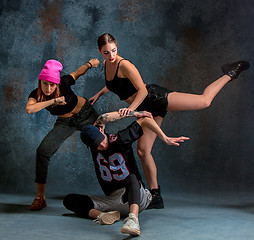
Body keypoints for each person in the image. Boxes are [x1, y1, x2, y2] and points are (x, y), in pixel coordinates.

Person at [89, 33, 250, 209]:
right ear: (100, 51)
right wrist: (99, 94)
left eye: (114, 50)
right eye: (106, 53)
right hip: (145, 108)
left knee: (204, 101)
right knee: (143, 151)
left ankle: (231, 72)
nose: (111, 56)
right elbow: (113, 84)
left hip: (155, 98)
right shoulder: (106, 64)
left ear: (116, 46)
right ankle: (155, 196)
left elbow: (142, 90)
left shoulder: (124, 64)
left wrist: (132, 110)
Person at [63, 110, 189, 236]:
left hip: (136, 196)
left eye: (101, 141)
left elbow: (145, 120)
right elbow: (101, 120)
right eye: (97, 146)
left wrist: (164, 137)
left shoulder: (121, 139)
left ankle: (133, 220)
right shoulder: (94, 145)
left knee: (131, 178)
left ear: (101, 130)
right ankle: (102, 215)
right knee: (69, 200)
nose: (102, 145)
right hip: (113, 201)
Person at [26, 59, 100, 210]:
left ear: (57, 83)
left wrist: (90, 64)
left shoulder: (63, 83)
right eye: (45, 83)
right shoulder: (36, 95)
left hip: (87, 115)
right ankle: (40, 197)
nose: (48, 88)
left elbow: (77, 73)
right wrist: (53, 100)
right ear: (40, 81)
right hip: (65, 123)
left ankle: (120, 190)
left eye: (52, 84)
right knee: (43, 151)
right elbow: (29, 109)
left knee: (103, 147)